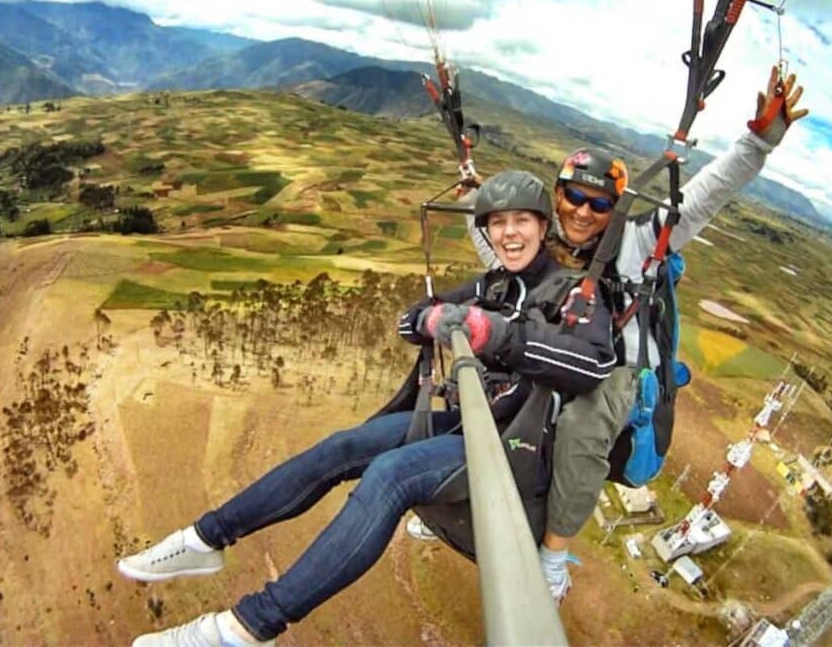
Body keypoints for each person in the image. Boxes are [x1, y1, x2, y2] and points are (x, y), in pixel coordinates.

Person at [116, 170, 616, 646]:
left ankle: (248, 628)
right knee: (344, 446)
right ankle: (205, 539)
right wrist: (432, 317)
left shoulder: (575, 293)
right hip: (471, 426)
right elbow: (410, 319)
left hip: (514, 451)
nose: (508, 234)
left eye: (520, 222)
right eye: (497, 223)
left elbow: (592, 363)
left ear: (542, 226)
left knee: (391, 475)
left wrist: (495, 333)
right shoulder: (495, 286)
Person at [447, 67, 809, 602]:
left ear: (615, 210)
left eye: (599, 204)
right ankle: (458, 491)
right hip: (560, 351)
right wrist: (474, 205)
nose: (583, 211)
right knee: (479, 381)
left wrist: (757, 144)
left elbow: (706, 195)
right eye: (573, 197)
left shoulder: (636, 246)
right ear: (557, 195)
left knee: (582, 424)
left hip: (612, 370)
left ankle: (552, 561)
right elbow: (500, 257)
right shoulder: (544, 243)